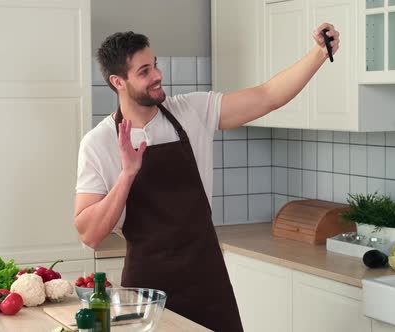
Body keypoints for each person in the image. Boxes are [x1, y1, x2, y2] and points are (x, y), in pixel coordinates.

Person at [74, 24, 340, 332]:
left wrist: (320, 53)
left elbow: (268, 96)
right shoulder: (99, 143)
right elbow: (89, 234)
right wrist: (127, 174)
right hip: (147, 289)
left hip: (206, 278)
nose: (158, 75)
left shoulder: (192, 111)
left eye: (155, 64)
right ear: (118, 81)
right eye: (144, 71)